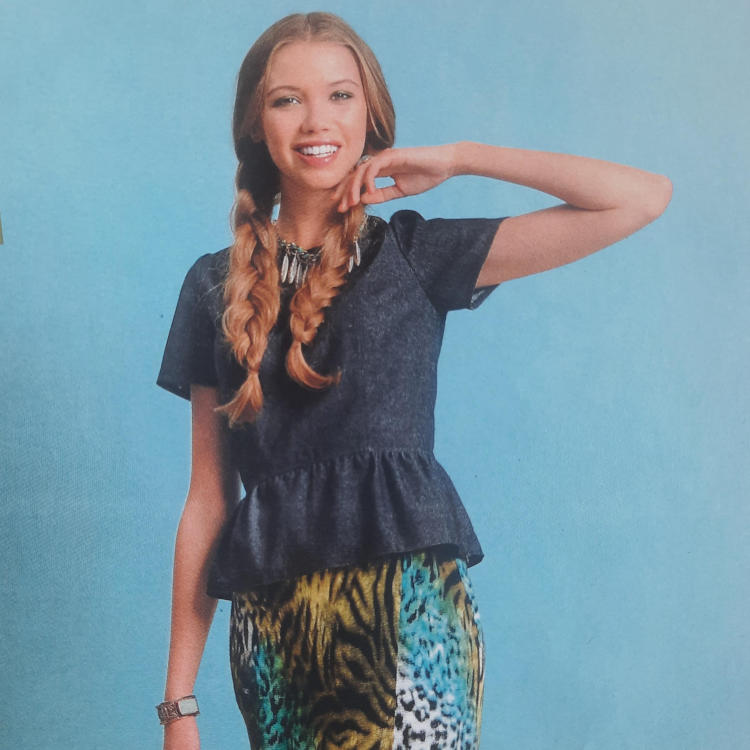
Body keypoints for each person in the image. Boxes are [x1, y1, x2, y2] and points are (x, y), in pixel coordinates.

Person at [155, 11, 671, 750]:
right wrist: (179, 704)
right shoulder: (213, 285)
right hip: (276, 639)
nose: (316, 120)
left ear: (370, 115)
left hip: (410, 620)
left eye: (340, 95)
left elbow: (641, 196)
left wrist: (461, 158)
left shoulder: (414, 254)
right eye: (286, 99)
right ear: (254, 125)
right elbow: (208, 499)